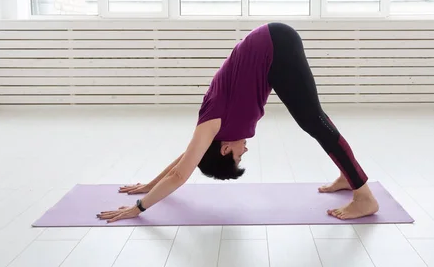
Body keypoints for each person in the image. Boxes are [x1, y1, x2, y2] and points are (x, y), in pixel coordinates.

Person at [97, 23, 379, 223]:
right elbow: (186, 159)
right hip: (272, 49)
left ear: (223, 150)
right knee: (312, 122)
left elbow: (180, 175)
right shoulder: (213, 134)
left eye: (236, 157)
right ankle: (347, 175)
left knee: (314, 121)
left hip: (276, 45)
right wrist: (149, 184)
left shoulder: (213, 123)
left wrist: (138, 208)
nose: (244, 152)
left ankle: (364, 197)